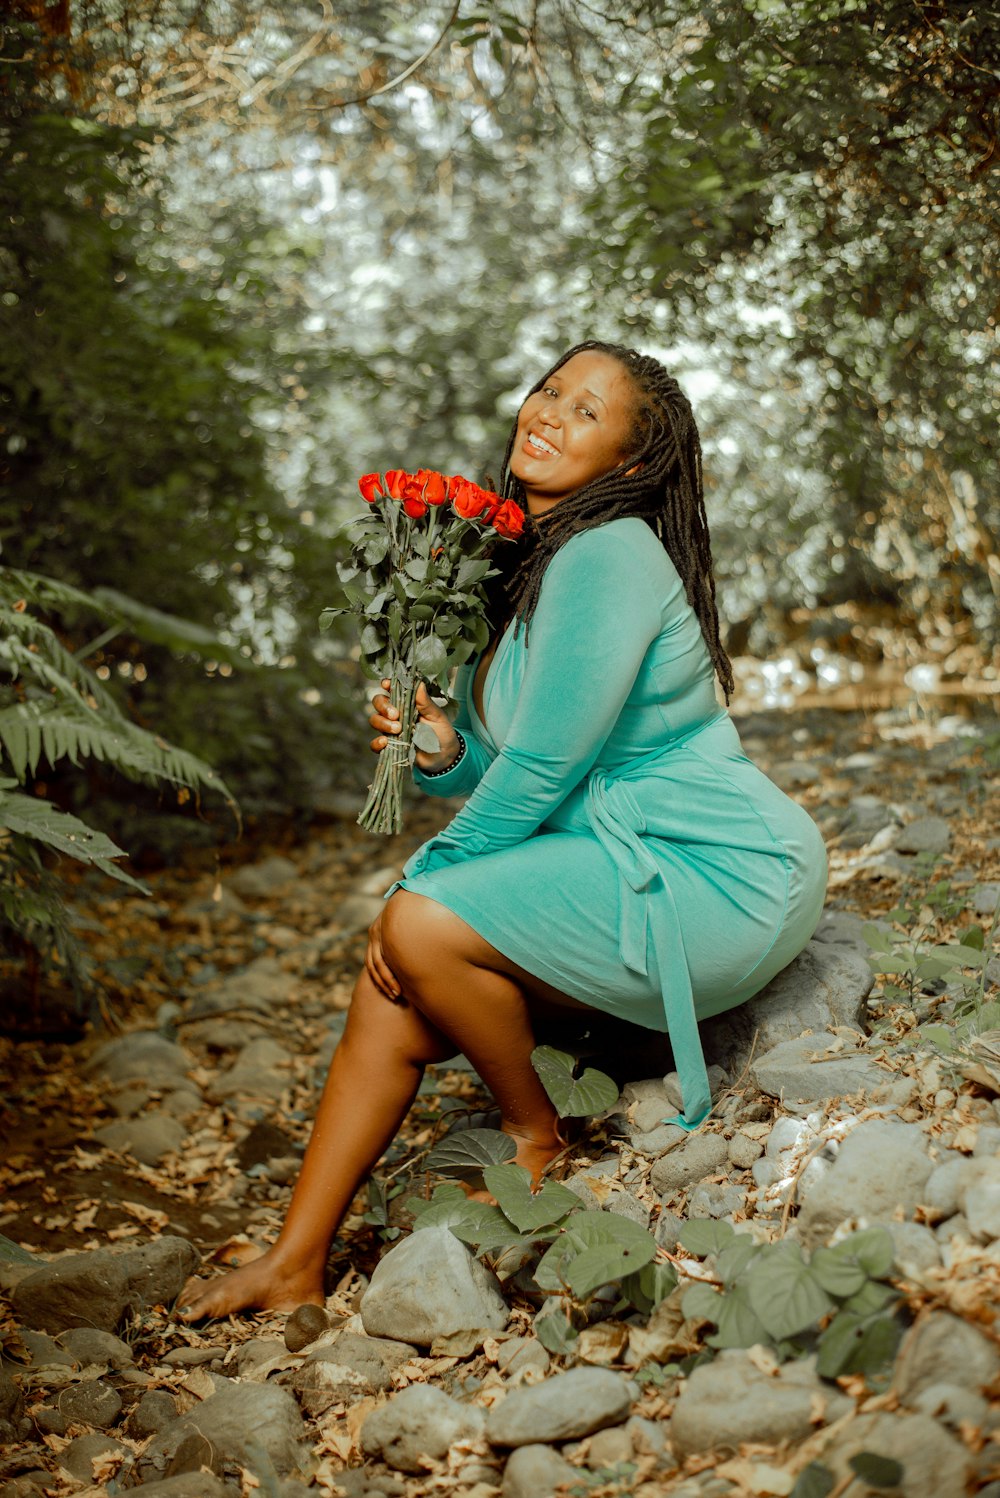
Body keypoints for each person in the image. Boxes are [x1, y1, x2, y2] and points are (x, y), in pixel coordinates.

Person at [178, 341, 827, 1320]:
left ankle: (535, 1137)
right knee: (395, 977)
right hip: (625, 855)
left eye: (587, 410)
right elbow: (527, 766)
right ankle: (294, 1257)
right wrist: (446, 753)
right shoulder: (538, 566)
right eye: (549, 388)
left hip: (720, 874)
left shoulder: (611, 553)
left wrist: (421, 882)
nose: (551, 411)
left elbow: (548, 772)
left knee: (421, 924)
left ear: (631, 463)